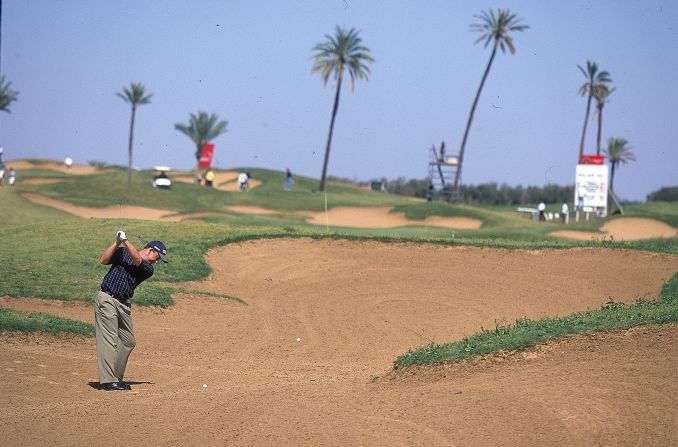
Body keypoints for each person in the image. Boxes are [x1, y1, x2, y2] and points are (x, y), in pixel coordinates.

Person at [95, 230, 168, 391]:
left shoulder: (148, 269)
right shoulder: (122, 252)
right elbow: (103, 260)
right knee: (109, 339)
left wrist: (126, 240)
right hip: (107, 298)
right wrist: (117, 243)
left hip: (123, 304)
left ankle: (115, 377)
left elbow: (136, 259)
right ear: (151, 250)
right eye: (158, 257)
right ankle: (108, 380)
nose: (157, 262)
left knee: (128, 341)